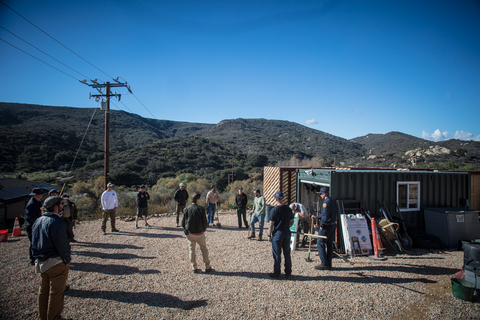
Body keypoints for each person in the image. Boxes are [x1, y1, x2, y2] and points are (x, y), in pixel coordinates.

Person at [31, 196, 71, 320]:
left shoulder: (38, 220)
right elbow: (61, 244)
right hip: (56, 262)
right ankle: (54, 317)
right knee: (56, 293)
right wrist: (66, 259)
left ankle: (42, 316)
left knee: (43, 291)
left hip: (42, 262)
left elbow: (33, 242)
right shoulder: (57, 222)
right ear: (55, 207)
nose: (63, 207)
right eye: (61, 205)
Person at [181, 193, 212, 274]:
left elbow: (182, 223)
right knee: (204, 249)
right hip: (200, 233)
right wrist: (203, 230)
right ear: (197, 199)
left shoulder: (186, 209)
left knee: (192, 250)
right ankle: (207, 266)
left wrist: (186, 230)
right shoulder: (201, 209)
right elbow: (205, 222)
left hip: (190, 233)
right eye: (200, 199)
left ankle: (194, 267)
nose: (200, 200)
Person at [267, 191, 294, 280]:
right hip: (287, 232)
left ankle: (277, 273)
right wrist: (286, 226)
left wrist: (269, 235)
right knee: (287, 254)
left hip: (278, 233)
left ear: (275, 199)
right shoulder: (288, 209)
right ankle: (288, 273)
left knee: (277, 254)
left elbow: (271, 224)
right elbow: (292, 222)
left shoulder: (274, 210)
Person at [312, 187, 337, 270]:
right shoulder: (332, 201)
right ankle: (329, 263)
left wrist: (322, 225)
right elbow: (325, 214)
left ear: (325, 194)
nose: (320, 196)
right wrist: (317, 217)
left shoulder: (326, 203)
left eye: (321, 194)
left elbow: (325, 216)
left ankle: (324, 263)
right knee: (329, 244)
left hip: (326, 226)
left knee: (320, 242)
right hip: (332, 225)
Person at [25, 187, 46, 265]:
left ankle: (38, 256)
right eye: (40, 194)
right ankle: (33, 259)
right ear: (35, 195)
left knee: (39, 241)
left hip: (39, 224)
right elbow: (31, 218)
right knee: (34, 242)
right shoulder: (31, 204)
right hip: (33, 226)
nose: (42, 195)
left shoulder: (39, 202)